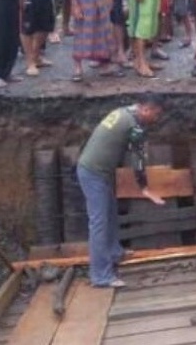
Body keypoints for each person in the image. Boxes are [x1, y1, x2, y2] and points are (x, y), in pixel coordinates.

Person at [77, 93, 167, 288]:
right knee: (99, 222)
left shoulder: (124, 112)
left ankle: (114, 253)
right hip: (93, 173)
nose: (156, 119)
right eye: (156, 114)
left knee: (109, 213)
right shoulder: (134, 126)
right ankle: (101, 276)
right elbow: (138, 161)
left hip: (97, 170)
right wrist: (144, 188)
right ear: (145, 109)